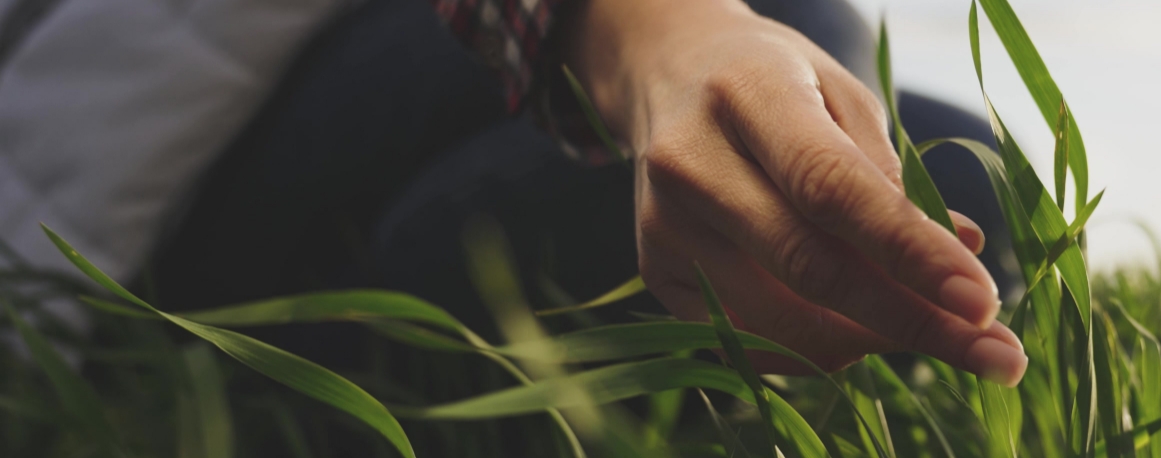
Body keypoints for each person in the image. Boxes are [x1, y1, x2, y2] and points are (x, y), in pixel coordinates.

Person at [0, 0, 1025, 394]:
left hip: (353, 76)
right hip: (141, 200)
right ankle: (295, 387)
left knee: (956, 163)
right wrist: (659, 34)